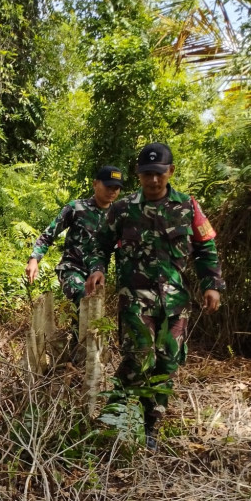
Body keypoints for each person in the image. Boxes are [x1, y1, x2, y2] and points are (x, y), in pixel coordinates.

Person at [85, 142, 224, 449]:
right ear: (139, 173)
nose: (153, 180)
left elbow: (205, 248)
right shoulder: (124, 208)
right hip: (135, 299)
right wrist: (97, 268)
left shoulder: (188, 207)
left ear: (170, 172)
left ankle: (151, 429)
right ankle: (113, 418)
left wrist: (212, 284)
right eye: (147, 174)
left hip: (175, 303)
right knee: (138, 355)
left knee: (166, 364)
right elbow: (99, 244)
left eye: (159, 173)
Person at [25, 165, 124, 339]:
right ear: (95, 184)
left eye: (116, 188)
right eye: (108, 186)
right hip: (71, 269)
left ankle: (79, 349)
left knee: (95, 314)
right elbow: (49, 234)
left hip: (97, 273)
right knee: (82, 296)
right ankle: (77, 349)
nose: (112, 191)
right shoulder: (76, 208)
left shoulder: (117, 216)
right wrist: (34, 258)